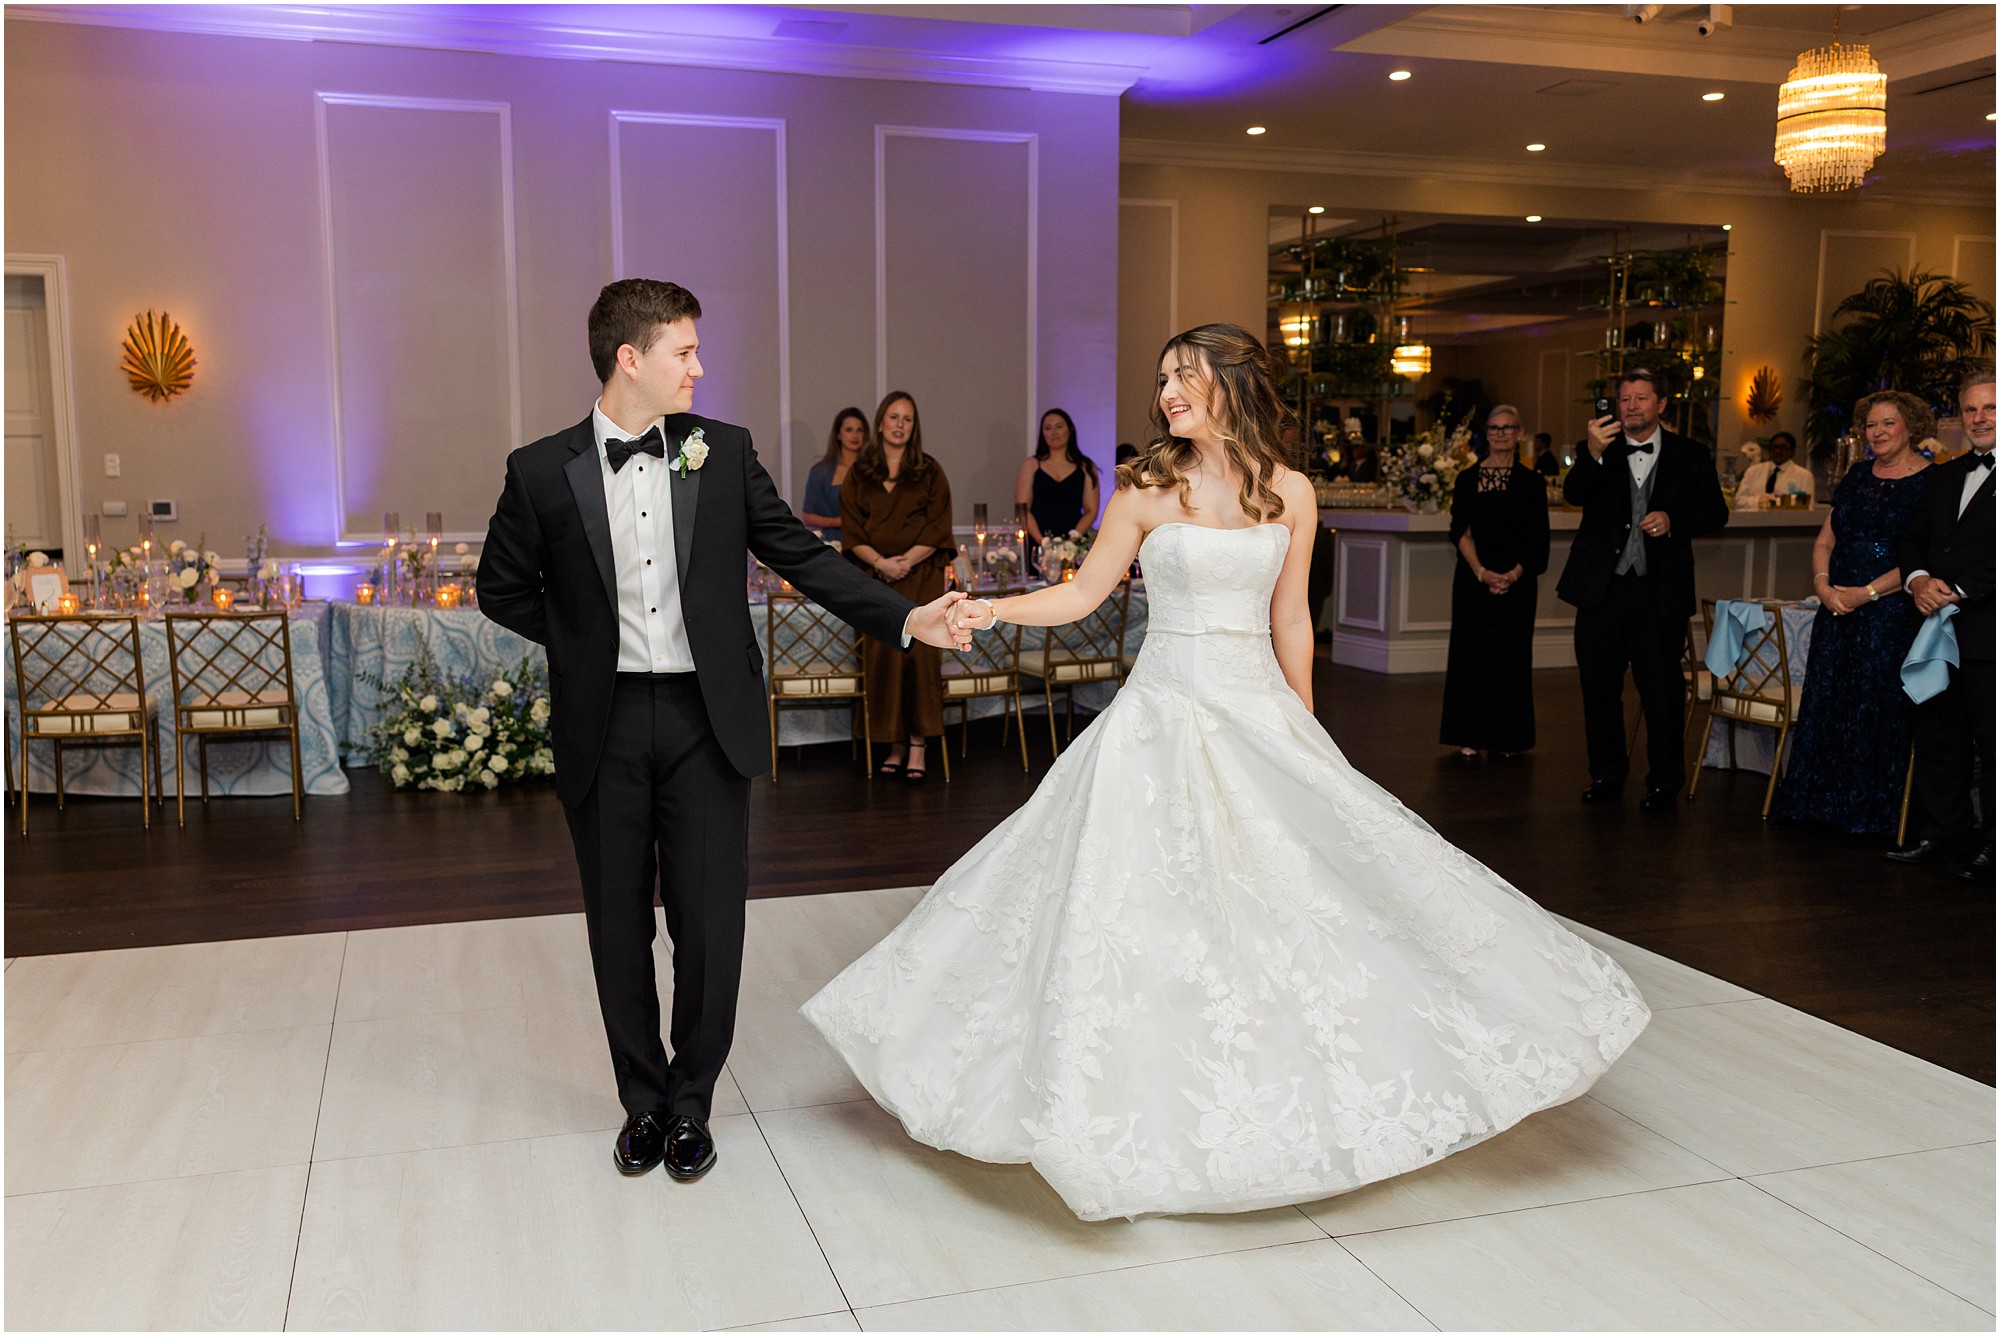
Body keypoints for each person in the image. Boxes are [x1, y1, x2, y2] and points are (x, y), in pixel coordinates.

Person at [802, 323, 1649, 1223]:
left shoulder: (1292, 493)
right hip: (1159, 718)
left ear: (1233, 383)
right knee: (1135, 904)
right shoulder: (1143, 489)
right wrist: (994, 609)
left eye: (1185, 377)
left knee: (1289, 901)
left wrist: (1308, 732)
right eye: (1162, 377)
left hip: (1256, 712)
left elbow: (1292, 623)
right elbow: (1084, 594)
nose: (1166, 392)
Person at [476, 280, 968, 1185]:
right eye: (684, 351)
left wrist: (907, 620)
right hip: (606, 723)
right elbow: (499, 590)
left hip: (709, 722)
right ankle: (643, 1102)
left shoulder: (722, 452)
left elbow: (803, 557)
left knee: (710, 926)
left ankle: (693, 1100)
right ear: (631, 359)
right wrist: (586, 640)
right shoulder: (540, 470)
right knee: (617, 926)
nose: (700, 366)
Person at [1557, 368, 1729, 811]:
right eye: (1625, 400)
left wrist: (1674, 521)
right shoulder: (1596, 449)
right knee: (1599, 691)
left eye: (1641, 399)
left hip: (1660, 593)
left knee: (1662, 692)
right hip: (1602, 591)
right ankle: (1606, 776)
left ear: (1661, 404)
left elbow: (1716, 513)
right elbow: (1573, 495)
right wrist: (1593, 454)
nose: (1631, 406)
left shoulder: (1690, 455)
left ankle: (1664, 782)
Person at [1772, 395, 1931, 834]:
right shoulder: (1857, 475)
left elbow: (1923, 555)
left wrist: (1866, 594)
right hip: (1837, 610)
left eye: (1888, 423)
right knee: (1829, 701)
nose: (1877, 432)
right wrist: (1823, 586)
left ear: (1910, 427)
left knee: (1877, 708)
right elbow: (1826, 539)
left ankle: (1870, 815)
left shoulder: (1933, 482)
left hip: (1890, 615)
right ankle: (1819, 806)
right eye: (1870, 425)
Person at [1889, 368, 1996, 877]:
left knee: (1993, 746)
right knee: (1938, 736)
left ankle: (1993, 850)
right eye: (1971, 409)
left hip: (1987, 632)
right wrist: (1917, 580)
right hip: (1936, 632)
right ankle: (1944, 833)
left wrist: (1962, 589)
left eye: (1990, 408)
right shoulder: (1944, 475)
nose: (1979, 418)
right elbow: (1912, 540)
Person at [843, 392, 956, 783]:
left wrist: (907, 560)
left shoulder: (929, 470)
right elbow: (852, 529)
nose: (899, 424)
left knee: (920, 661)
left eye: (907, 419)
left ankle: (919, 743)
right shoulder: (860, 472)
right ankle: (891, 744)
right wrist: (881, 563)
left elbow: (938, 526)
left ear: (914, 426)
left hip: (922, 578)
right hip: (874, 582)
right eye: (893, 417)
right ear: (880, 422)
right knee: (884, 660)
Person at [1441, 405, 1550, 760]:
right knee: (1471, 657)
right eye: (1494, 428)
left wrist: (1513, 575)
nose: (1500, 434)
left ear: (1520, 433)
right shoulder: (1466, 479)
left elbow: (1538, 539)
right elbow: (1460, 531)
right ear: (1486, 433)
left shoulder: (1532, 483)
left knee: (1511, 659)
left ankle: (1507, 737)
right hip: (1474, 581)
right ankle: (1469, 734)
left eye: (1507, 428)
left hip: (1518, 584)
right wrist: (1482, 573)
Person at [1017, 407, 1100, 568]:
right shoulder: (1031, 465)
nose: (1053, 432)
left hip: (1074, 544)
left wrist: (1070, 543)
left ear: (1070, 429)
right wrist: (1044, 543)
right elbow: (1023, 509)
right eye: (1048, 428)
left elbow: (1091, 510)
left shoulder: (1085, 466)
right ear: (1043, 434)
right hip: (1038, 544)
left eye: (1059, 426)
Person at [801, 406, 866, 541]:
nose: (855, 435)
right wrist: (838, 521)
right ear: (838, 434)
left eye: (859, 430)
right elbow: (807, 518)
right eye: (849, 430)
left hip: (870, 543)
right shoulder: (821, 472)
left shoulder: (873, 469)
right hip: (835, 544)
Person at [1734, 431, 1813, 509]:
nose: (1778, 451)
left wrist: (1777, 503)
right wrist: (1762, 501)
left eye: (1784, 447)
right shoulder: (1753, 471)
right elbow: (1738, 501)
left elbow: (1808, 507)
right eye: (1775, 447)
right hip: (1754, 520)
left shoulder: (1804, 475)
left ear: (1792, 451)